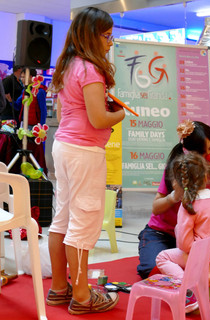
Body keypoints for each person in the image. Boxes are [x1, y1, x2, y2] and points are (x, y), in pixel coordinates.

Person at [46, 7, 125, 316]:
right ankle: (81, 296)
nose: (110, 42)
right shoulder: (90, 69)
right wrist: (120, 114)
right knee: (83, 221)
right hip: (84, 152)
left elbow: (75, 112)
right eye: (107, 36)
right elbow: (99, 118)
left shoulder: (68, 65)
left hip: (65, 147)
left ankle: (59, 288)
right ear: (92, 36)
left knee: (63, 220)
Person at [137, 120, 210, 279]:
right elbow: (156, 208)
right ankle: (187, 274)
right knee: (151, 268)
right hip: (162, 233)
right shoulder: (177, 169)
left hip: (196, 239)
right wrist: (174, 196)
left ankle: (185, 272)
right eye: (202, 152)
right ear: (189, 153)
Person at [156, 152, 210, 313]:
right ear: (205, 177)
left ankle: (188, 294)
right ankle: (189, 290)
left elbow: (184, 245)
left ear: (177, 183)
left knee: (163, 257)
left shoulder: (188, 205)